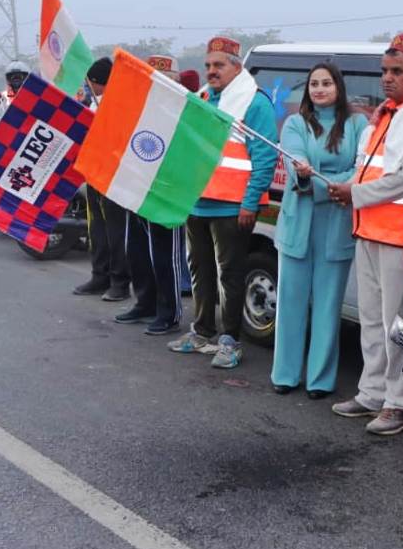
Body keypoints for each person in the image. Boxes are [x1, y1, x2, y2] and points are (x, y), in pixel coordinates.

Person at [327, 34, 403, 435]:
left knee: (401, 329)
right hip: (369, 230)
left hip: (400, 238)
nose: (387, 79)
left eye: (397, 72)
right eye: (384, 71)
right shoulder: (389, 112)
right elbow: (368, 168)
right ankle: (372, 392)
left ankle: (402, 404)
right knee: (372, 322)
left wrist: (354, 193)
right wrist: (349, 189)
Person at [167, 36, 276, 369]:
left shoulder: (254, 103)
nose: (212, 71)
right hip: (197, 203)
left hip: (232, 206)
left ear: (237, 66)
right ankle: (201, 331)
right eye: (208, 65)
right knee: (200, 272)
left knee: (230, 275)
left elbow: (265, 158)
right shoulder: (201, 98)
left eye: (219, 65)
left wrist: (249, 203)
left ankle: (230, 340)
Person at [271, 62, 368, 398]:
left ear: (338, 87)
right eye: (314, 84)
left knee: (328, 305)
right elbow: (294, 164)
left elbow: (362, 168)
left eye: (327, 83)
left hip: (337, 225)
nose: (320, 89)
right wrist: (332, 186)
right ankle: (285, 374)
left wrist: (339, 186)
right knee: (291, 303)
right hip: (298, 221)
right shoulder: (295, 124)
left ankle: (320, 379)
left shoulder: (358, 124)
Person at [116, 55, 188, 335]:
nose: (157, 84)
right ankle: (144, 303)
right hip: (138, 188)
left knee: (165, 255)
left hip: (168, 192)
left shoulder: (185, 112)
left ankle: (169, 313)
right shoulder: (140, 107)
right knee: (136, 250)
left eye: (163, 79)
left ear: (175, 81)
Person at [73, 57, 131, 302]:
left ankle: (119, 282)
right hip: (95, 175)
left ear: (98, 82)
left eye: (90, 82)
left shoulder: (119, 105)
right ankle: (100, 275)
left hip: (114, 178)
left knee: (115, 231)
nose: (88, 87)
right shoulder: (97, 104)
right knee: (96, 228)